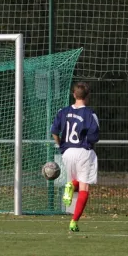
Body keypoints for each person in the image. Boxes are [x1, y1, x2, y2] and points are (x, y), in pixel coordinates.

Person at [51, 82, 100, 232]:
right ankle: (74, 221)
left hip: (67, 153)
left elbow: (54, 131)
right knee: (85, 186)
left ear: (74, 95)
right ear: (88, 96)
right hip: (83, 151)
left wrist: (61, 146)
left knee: (79, 180)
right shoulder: (90, 114)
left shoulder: (63, 111)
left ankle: (71, 185)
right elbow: (94, 137)